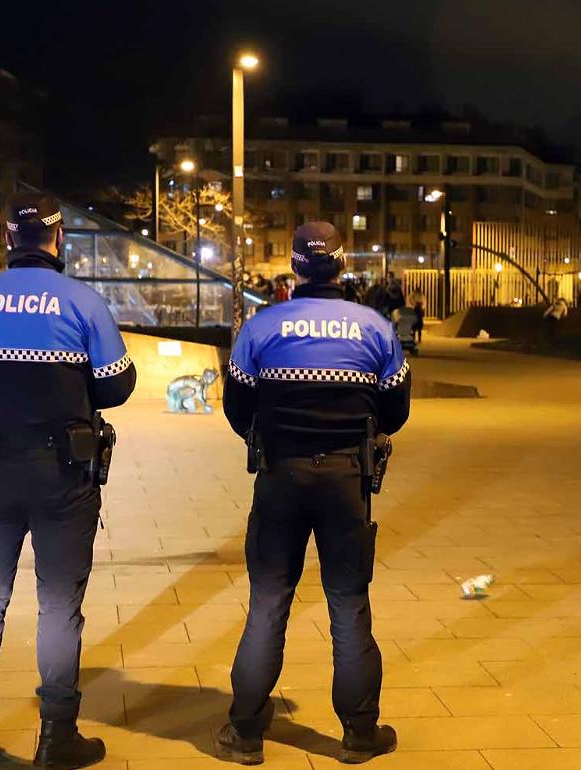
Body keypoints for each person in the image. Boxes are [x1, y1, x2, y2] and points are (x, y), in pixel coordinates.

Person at [0, 193, 136, 770]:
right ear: (58, 241)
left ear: (8, 239)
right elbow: (115, 387)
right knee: (58, 604)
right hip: (63, 474)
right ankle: (56, 738)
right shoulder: (82, 301)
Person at [218, 221, 411, 765]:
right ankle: (358, 734)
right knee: (349, 605)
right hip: (347, 481)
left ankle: (246, 733)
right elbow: (395, 411)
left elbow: (238, 409)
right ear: (342, 266)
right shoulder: (374, 327)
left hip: (280, 478)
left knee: (267, 603)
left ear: (296, 267)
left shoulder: (262, 327)